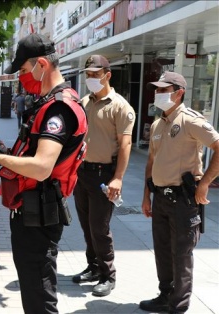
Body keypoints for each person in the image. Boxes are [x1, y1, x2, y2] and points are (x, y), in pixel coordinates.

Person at [0, 34, 87, 313]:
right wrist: (4, 150)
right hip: (34, 211)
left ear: (42, 64)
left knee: (39, 297)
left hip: (38, 216)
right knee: (34, 289)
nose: (22, 77)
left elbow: (40, 167)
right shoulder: (52, 102)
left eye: (23, 71)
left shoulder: (59, 109)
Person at [140, 71, 219, 314]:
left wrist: (205, 182)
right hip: (161, 198)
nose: (158, 94)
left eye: (164, 90)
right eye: (158, 90)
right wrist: (146, 195)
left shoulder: (190, 120)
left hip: (184, 200)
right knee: (163, 251)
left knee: (181, 254)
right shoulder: (157, 123)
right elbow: (151, 161)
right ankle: (165, 295)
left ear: (179, 93)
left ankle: (179, 305)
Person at [71, 55, 136, 297]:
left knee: (100, 227)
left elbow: (126, 144)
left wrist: (117, 178)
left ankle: (108, 275)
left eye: (95, 74)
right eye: (88, 74)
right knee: (87, 226)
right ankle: (93, 267)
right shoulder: (84, 101)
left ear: (108, 75)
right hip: (82, 173)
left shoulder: (120, 106)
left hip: (103, 174)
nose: (90, 79)